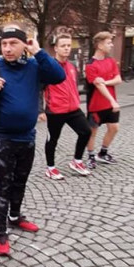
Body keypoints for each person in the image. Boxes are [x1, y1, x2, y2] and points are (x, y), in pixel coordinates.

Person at [0, 23, 65, 256]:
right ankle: (2, 232)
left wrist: (38, 51)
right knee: (2, 186)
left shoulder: (34, 66)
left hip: (27, 137)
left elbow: (59, 76)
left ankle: (15, 216)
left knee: (20, 181)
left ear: (24, 45)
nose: (8, 48)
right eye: (4, 44)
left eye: (13, 43)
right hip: (2, 138)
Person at [43, 32, 92, 179]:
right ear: (56, 48)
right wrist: (40, 110)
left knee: (86, 132)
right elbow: (39, 88)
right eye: (63, 45)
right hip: (55, 110)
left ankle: (77, 161)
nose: (66, 48)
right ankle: (50, 168)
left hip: (73, 109)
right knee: (53, 139)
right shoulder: (49, 67)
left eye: (69, 45)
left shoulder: (72, 66)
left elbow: (73, 86)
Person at [85, 31, 122, 168]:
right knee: (92, 131)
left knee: (114, 127)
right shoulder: (90, 65)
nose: (111, 45)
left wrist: (105, 82)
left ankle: (103, 153)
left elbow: (118, 79)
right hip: (96, 104)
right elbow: (98, 85)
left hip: (110, 104)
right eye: (109, 43)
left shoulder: (111, 61)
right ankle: (91, 156)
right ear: (100, 45)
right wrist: (112, 100)